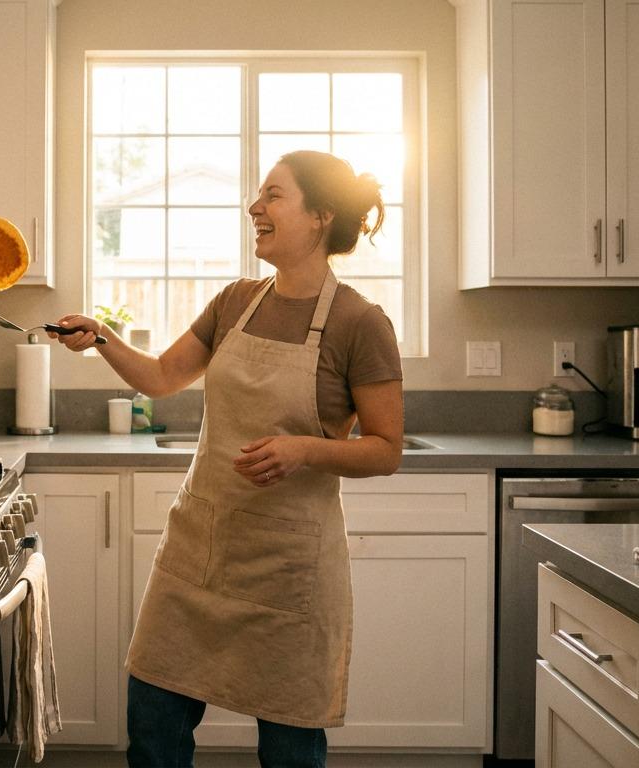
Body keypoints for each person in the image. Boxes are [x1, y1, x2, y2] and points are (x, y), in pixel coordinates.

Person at [51, 150, 405, 767]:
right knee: (153, 723)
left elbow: (385, 449)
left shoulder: (360, 323)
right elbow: (162, 376)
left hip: (290, 565)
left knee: (290, 750)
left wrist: (303, 449)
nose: (254, 208)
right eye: (257, 196)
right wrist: (101, 338)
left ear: (321, 215)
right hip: (200, 551)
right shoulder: (236, 301)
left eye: (273, 196)